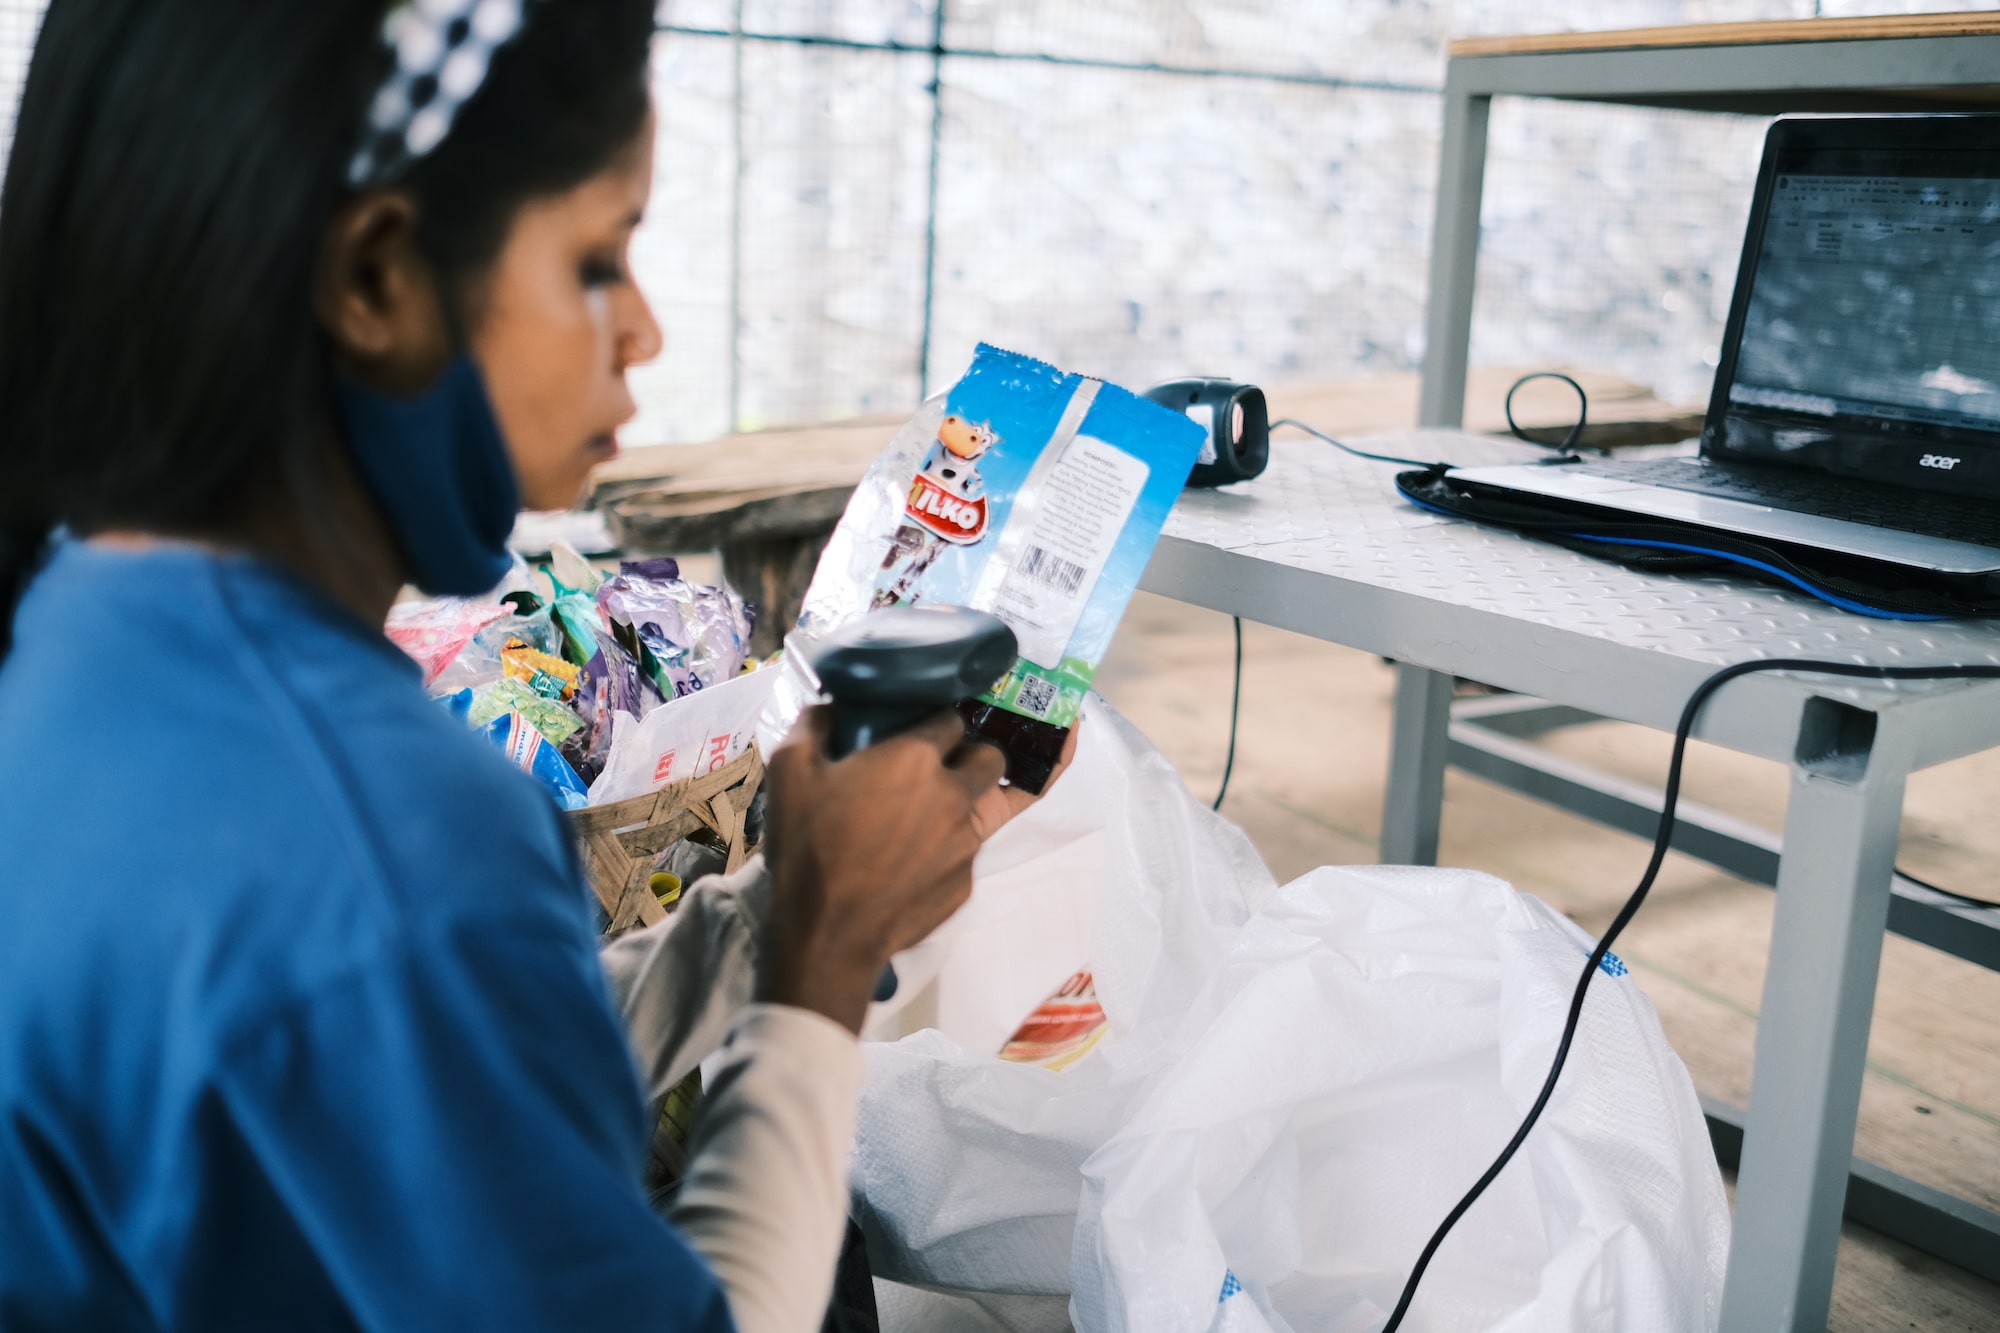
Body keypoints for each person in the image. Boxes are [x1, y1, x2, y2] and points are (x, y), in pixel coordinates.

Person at [0, 2, 1062, 1329]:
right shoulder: (382, 832)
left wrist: (761, 926)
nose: (647, 333)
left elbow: (426, 1066)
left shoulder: (74, 622)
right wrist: (822, 969)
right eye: (598, 261)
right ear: (379, 276)